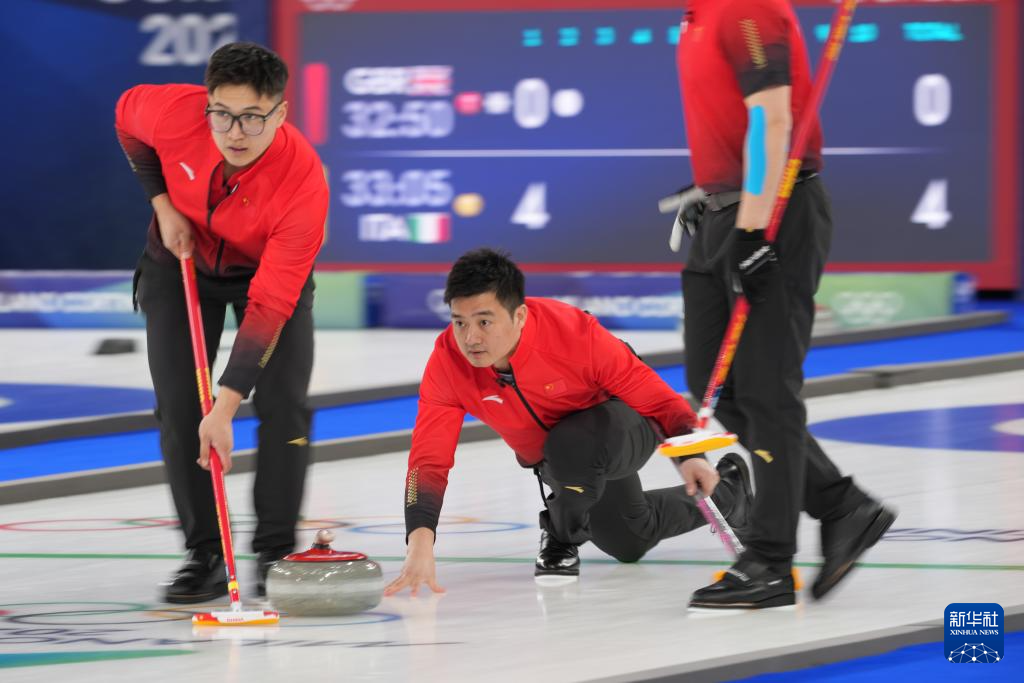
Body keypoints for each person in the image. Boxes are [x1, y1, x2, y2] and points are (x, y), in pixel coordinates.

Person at [676, 0, 896, 609]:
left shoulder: (745, 7)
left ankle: (770, 562)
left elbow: (774, 118)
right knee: (715, 383)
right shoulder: (698, 15)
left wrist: (751, 227)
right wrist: (715, 192)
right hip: (725, 209)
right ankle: (841, 505)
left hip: (773, 213)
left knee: (767, 391)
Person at [384, 248, 753, 596]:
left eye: (484, 321)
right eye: (459, 322)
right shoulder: (448, 364)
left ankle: (560, 536)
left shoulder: (574, 334)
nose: (470, 338)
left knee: (570, 445)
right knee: (629, 540)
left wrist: (691, 455)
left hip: (625, 422)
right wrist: (420, 539)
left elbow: (659, 400)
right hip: (564, 460)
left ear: (519, 316)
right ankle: (730, 492)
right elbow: (428, 461)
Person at [115, 42, 328, 603]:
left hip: (264, 274)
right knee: (181, 407)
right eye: (222, 114)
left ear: (280, 113)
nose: (235, 132)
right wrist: (163, 205)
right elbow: (126, 119)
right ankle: (206, 553)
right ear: (206, 103)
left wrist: (227, 406)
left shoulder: (302, 182)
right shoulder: (173, 112)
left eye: (253, 117)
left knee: (283, 403)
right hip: (180, 260)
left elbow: (271, 306)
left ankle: (276, 550)